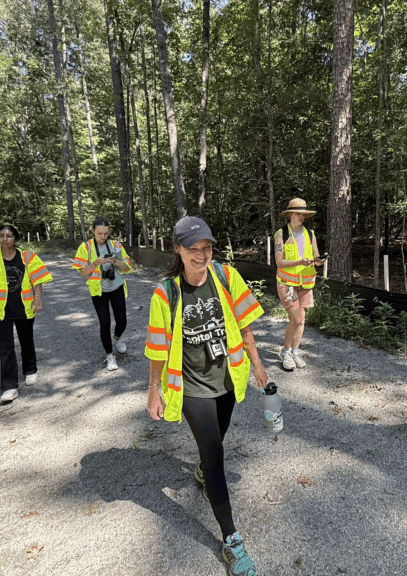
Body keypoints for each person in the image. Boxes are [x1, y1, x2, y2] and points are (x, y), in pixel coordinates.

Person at [144, 216, 268, 576]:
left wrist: (257, 364)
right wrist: (154, 390)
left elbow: (244, 322)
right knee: (214, 454)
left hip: (227, 379)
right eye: (193, 249)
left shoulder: (226, 277)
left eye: (207, 247)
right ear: (178, 250)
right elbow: (156, 347)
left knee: (219, 437)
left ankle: (202, 471)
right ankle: (232, 539)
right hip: (192, 386)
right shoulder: (165, 293)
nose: (201, 255)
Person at [0, 225, 53, 403]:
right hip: (0, 309)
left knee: (26, 339)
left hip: (23, 307)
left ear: (15, 238)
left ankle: (30, 370)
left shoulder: (28, 257)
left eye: (9, 236)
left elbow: (38, 279)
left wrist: (37, 298)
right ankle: (9, 387)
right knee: (5, 346)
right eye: (1, 236)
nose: (4, 239)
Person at [73, 217, 133, 371]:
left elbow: (127, 266)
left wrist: (115, 261)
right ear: (93, 231)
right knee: (104, 322)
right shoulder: (85, 247)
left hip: (117, 287)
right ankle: (110, 356)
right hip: (99, 291)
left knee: (122, 322)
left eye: (106, 233)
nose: (102, 237)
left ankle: (117, 338)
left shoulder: (115, 245)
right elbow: (82, 273)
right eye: (99, 233)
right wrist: (95, 263)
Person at [273, 198, 324, 371]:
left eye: (303, 214)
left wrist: (319, 261)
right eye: (298, 213)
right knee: (295, 319)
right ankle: (286, 352)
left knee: (301, 321)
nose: (301, 217)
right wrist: (299, 262)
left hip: (306, 282)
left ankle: (295, 352)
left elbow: (316, 256)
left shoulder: (310, 234)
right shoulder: (282, 234)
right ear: (289, 215)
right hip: (287, 283)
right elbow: (279, 262)